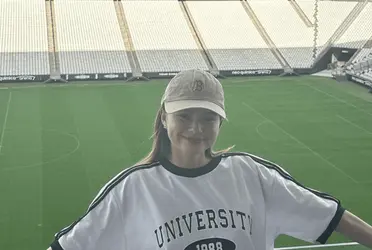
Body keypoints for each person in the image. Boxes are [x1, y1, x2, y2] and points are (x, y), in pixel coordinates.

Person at [48, 69, 372, 250]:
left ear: (221, 123)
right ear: (163, 118)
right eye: (184, 115)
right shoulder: (132, 190)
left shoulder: (252, 175)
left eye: (208, 118)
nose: (195, 128)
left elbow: (331, 215)